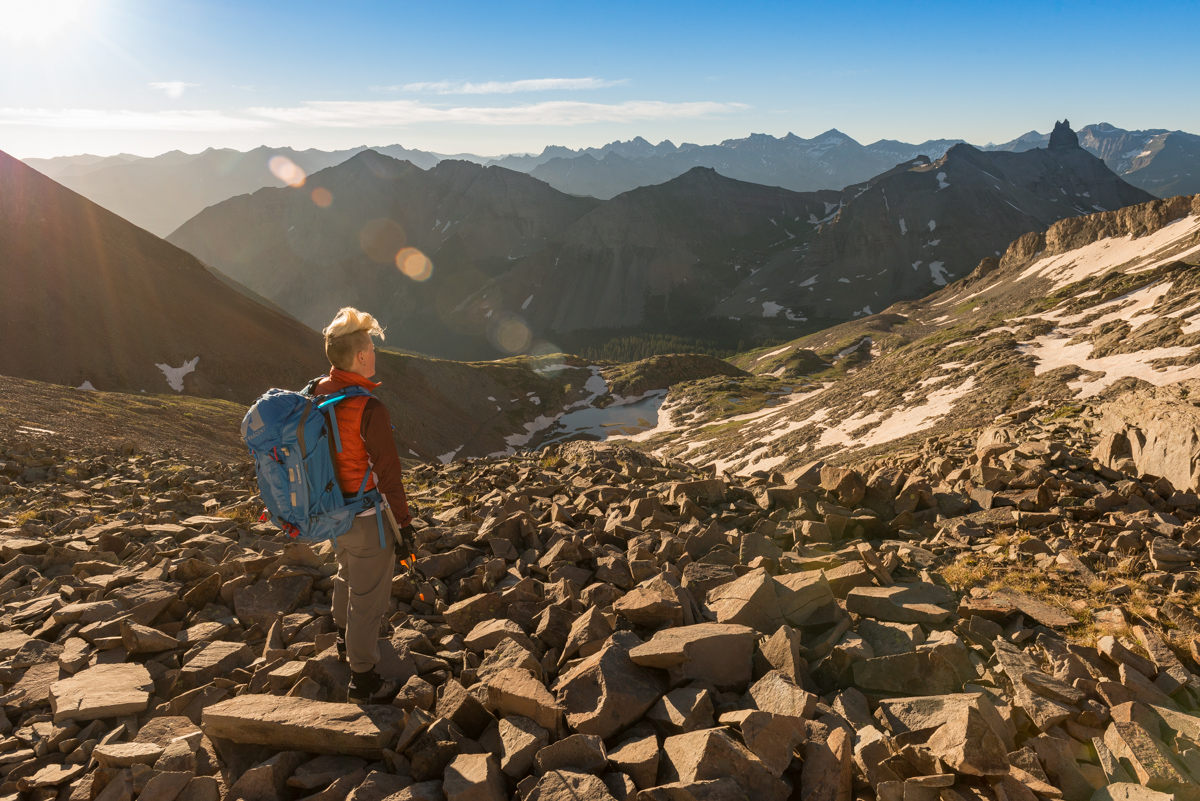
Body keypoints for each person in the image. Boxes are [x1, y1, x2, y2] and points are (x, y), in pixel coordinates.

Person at [312, 307, 413, 703]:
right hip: (367, 515)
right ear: (359, 357)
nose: (374, 351)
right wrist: (403, 526)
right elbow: (389, 477)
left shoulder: (319, 391)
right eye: (370, 345)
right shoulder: (369, 408)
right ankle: (364, 680)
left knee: (346, 572)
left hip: (333, 512)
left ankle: (341, 637)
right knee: (369, 599)